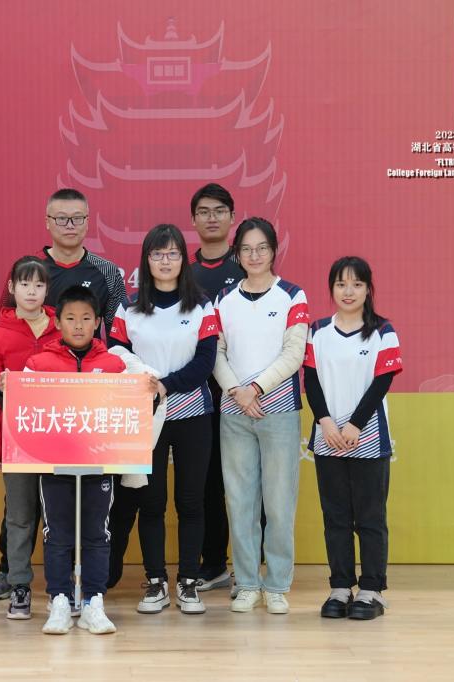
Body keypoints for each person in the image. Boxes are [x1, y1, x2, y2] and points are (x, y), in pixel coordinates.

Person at [0, 187, 126, 601]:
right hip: (33, 415)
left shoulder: (106, 272)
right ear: (47, 222)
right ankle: (11, 572)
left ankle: (80, 579)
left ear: (88, 221)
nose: (69, 225)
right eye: (61, 218)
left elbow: (117, 338)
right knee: (21, 504)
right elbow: (6, 323)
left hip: (85, 412)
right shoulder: (31, 270)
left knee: (72, 503)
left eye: (77, 218)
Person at [24, 285, 149, 635]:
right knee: (57, 533)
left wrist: (149, 393)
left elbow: (132, 407)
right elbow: (22, 407)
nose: (78, 325)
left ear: (97, 322)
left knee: (97, 532)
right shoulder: (38, 364)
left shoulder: (114, 365)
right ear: (58, 322)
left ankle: (94, 601)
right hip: (54, 466)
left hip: (99, 464)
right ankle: (60, 601)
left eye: (85, 318)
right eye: (70, 318)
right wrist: (9, 388)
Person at [107, 225, 217, 615]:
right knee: (150, 502)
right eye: (157, 254)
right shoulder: (129, 307)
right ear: (146, 260)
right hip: (144, 416)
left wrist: (165, 385)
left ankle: (188, 582)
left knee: (190, 501)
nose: (165, 261)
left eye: (172, 254)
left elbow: (206, 361)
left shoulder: (201, 305)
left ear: (183, 259)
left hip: (193, 414)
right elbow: (116, 352)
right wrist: (145, 382)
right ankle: (155, 582)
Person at [213, 217, 308, 615]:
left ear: (273, 251)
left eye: (262, 248)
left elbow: (294, 353)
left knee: (280, 502)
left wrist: (256, 388)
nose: (254, 255)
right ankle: (248, 583)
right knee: (240, 502)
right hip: (234, 411)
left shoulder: (292, 296)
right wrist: (237, 391)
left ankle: (277, 585)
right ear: (238, 254)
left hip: (278, 410)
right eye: (247, 249)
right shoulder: (224, 299)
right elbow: (215, 353)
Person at [303, 256, 402, 620]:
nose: (348, 291)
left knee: (370, 517)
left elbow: (382, 381)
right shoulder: (318, 331)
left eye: (357, 284)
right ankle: (341, 588)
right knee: (336, 517)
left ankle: (372, 591)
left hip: (367, 437)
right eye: (341, 284)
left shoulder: (383, 331)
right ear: (331, 288)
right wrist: (326, 422)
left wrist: (356, 425)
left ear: (367, 289)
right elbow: (311, 380)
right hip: (328, 436)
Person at [0, 256, 61, 620]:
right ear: (12, 288)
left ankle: (61, 587)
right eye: (24, 284)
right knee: (20, 516)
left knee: (59, 517)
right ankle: (20, 585)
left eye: (39, 285)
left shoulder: (63, 329)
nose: (31, 291)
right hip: (17, 444)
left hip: (61, 441)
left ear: (47, 289)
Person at [188, 183, 244, 591]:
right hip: (198, 395)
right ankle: (213, 564)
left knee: (246, 483)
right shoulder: (184, 274)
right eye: (204, 211)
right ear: (193, 220)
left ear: (232, 217)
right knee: (207, 483)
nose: (212, 218)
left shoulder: (248, 268)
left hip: (245, 394)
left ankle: (250, 566)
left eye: (219, 210)